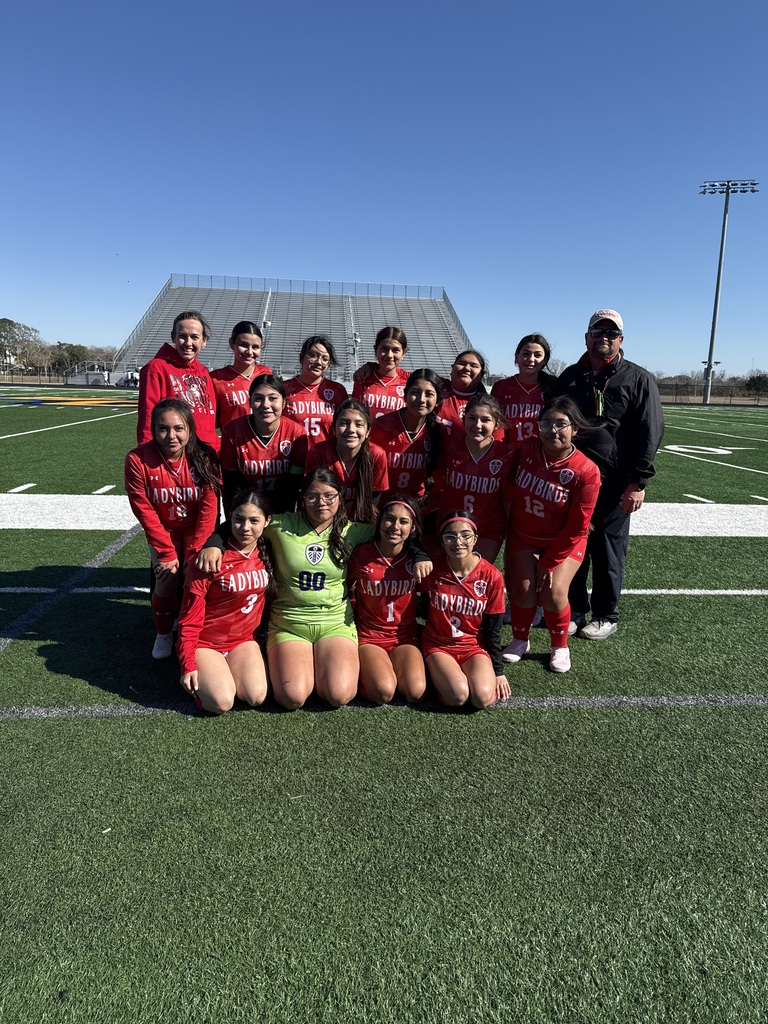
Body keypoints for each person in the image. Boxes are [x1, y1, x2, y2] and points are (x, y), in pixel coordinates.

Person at [197, 468, 432, 710]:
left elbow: (396, 531)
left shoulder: (353, 530)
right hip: (289, 623)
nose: (321, 503)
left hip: (335, 622)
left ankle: (330, 669)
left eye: (329, 496)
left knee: (339, 695)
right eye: (313, 496)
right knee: (293, 697)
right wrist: (215, 542)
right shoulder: (282, 525)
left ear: (341, 497)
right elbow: (247, 521)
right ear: (302, 498)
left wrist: (420, 553)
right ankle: (311, 669)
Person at [556, 309, 664, 639]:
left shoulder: (638, 378)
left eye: (610, 333)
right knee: (574, 544)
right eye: (597, 331)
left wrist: (638, 481)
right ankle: (575, 608)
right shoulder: (571, 376)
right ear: (586, 336)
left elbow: (651, 430)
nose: (603, 337)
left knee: (608, 548)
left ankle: (606, 614)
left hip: (615, 481)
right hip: (572, 478)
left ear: (621, 339)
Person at [502, 397, 601, 673]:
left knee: (553, 592)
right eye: (546, 423)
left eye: (561, 424)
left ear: (575, 430)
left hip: (564, 540)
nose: (553, 430)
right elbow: (508, 481)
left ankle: (560, 646)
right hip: (525, 534)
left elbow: (578, 526)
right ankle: (520, 640)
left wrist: (549, 561)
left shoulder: (586, 471)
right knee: (521, 590)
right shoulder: (527, 449)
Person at [124, 398, 220, 660]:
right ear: (153, 430)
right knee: (167, 578)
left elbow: (209, 508)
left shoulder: (204, 455)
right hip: (163, 530)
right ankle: (164, 632)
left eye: (178, 428)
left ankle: (196, 629)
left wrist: (194, 550)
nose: (171, 435)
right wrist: (165, 551)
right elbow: (142, 508)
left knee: (197, 574)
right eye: (163, 429)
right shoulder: (137, 459)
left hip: (195, 528)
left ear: (189, 428)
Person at [177, 490, 273, 713]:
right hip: (206, 642)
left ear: (267, 521)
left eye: (254, 520)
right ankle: (210, 676)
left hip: (244, 640)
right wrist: (187, 663)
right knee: (221, 702)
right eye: (239, 519)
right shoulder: (211, 558)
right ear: (230, 517)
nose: (245, 527)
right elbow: (188, 615)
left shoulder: (268, 550)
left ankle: (225, 672)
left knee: (256, 696)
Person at [420, 512, 509, 709]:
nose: (458, 542)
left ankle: (445, 677)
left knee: (482, 698)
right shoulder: (432, 569)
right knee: (458, 696)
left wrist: (498, 670)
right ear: (442, 542)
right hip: (438, 645)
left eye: (465, 535)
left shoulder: (491, 576)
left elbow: (493, 627)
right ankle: (434, 674)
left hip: (473, 646)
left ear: (475, 539)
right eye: (450, 536)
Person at [348, 496, 428, 704]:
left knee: (414, 691)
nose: (395, 526)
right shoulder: (361, 554)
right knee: (383, 692)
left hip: (404, 637)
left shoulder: (417, 560)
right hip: (369, 636)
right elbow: (346, 590)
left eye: (403, 521)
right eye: (389, 519)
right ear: (380, 520)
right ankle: (362, 675)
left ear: (412, 528)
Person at [425, 393, 514, 561]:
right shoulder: (451, 445)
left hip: (488, 529)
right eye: (472, 418)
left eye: (485, 420)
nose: (477, 425)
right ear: (464, 419)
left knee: (474, 576)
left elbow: (509, 497)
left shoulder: (507, 454)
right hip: (450, 525)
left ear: (497, 424)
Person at [219, 373, 307, 516]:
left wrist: (279, 519)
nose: (266, 405)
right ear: (250, 402)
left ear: (284, 403)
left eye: (273, 398)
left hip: (281, 511)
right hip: (244, 511)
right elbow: (232, 485)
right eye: (259, 398)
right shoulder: (232, 432)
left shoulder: (296, 433)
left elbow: (292, 487)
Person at [136, 310, 218, 450]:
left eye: (194, 337)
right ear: (173, 337)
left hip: (207, 453)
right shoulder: (156, 368)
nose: (188, 343)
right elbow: (148, 417)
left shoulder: (204, 372)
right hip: (177, 453)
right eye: (182, 336)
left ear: (204, 341)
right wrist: (147, 452)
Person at [305, 399, 388, 522]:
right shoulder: (319, 452)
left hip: (359, 522)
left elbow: (374, 498)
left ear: (368, 431)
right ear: (334, 428)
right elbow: (311, 495)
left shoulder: (377, 455)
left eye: (359, 424)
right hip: (324, 520)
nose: (351, 429)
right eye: (344, 423)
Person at [370, 368, 444, 504]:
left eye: (429, 394)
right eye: (415, 392)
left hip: (417, 507)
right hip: (381, 506)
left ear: (437, 400)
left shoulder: (439, 431)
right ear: (405, 395)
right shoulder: (382, 425)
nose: (421, 399)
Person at [491, 334, 557, 449]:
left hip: (540, 456)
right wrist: (499, 451)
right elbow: (495, 424)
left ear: (545, 360)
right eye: (526, 354)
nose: (531, 359)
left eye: (537, 355)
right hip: (508, 455)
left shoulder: (553, 387)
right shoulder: (501, 387)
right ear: (517, 357)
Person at [283, 335, 348, 447]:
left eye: (325, 358)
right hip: (293, 459)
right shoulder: (284, 388)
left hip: (325, 460)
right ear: (301, 357)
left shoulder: (337, 390)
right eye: (313, 355)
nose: (319, 362)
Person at [211, 321, 271, 431]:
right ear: (232, 343)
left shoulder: (266, 373)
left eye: (255, 347)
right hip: (233, 444)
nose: (249, 352)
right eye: (243, 345)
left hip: (264, 443)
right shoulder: (216, 379)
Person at [352, 326, 410, 419]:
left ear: (403, 353)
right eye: (384, 349)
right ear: (376, 350)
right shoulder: (363, 378)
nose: (389, 355)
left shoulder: (410, 382)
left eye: (396, 350)